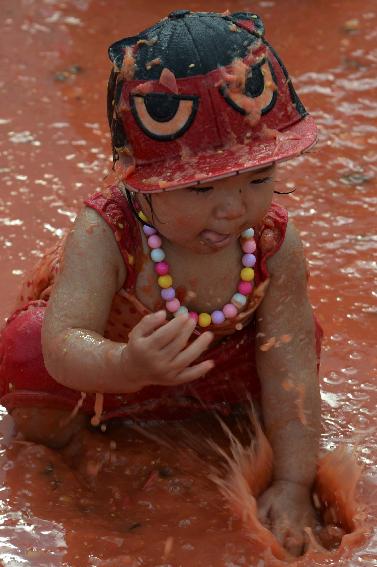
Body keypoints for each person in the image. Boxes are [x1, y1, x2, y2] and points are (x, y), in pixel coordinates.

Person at [0, 10, 322, 556]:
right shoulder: (105, 232)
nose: (231, 207)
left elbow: (290, 370)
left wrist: (294, 484)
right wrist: (125, 365)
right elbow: (61, 346)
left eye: (260, 178)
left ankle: (235, 434)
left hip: (209, 374)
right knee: (25, 347)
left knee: (299, 338)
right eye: (199, 188)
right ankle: (65, 457)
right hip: (106, 376)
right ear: (136, 177)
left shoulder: (271, 241)